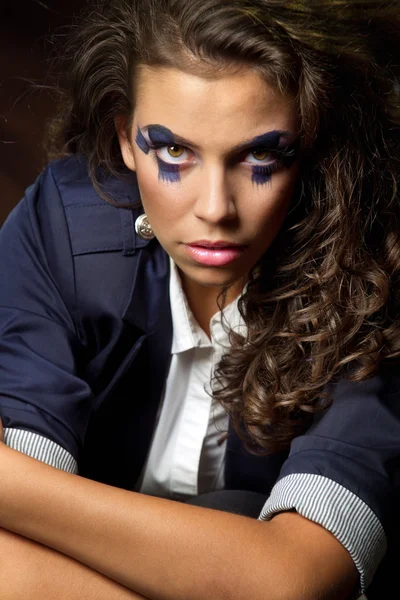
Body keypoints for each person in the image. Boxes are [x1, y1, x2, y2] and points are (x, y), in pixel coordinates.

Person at [0, 0, 399, 598]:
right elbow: (14, 554)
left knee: (237, 504)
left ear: (310, 147)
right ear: (125, 140)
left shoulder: (373, 276)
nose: (215, 208)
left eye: (260, 154)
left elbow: (291, 580)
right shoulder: (62, 224)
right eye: (174, 152)